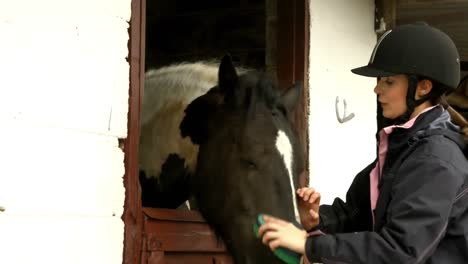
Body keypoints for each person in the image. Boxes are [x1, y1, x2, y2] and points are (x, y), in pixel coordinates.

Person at [257, 22, 468, 263]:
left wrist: (309, 244)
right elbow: (356, 212)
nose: (377, 89)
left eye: (389, 82)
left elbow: (400, 251)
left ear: (422, 88)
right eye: (379, 80)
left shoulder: (435, 159)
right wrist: (317, 219)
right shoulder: (402, 147)